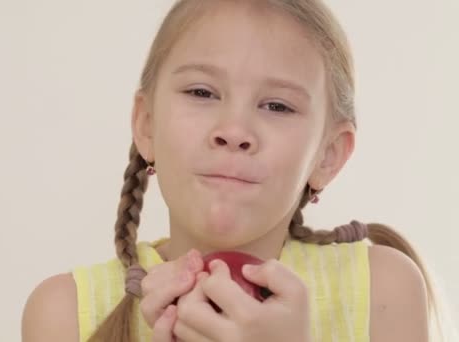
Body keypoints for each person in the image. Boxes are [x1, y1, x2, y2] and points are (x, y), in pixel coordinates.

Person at [22, 0, 440, 341]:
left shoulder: (383, 291)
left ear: (327, 155)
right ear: (147, 125)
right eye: (201, 92)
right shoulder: (65, 315)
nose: (234, 132)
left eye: (277, 106)